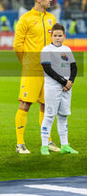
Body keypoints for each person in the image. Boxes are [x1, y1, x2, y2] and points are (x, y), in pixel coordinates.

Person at [13, 0, 58, 154]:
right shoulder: (25, 19)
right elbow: (17, 45)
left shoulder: (51, 19)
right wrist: (27, 63)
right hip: (31, 69)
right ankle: (20, 143)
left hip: (49, 71)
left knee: (46, 106)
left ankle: (48, 141)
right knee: (25, 104)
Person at [40, 23, 78, 155]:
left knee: (63, 116)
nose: (57, 38)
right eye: (55, 36)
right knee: (49, 115)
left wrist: (70, 82)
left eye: (60, 36)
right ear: (51, 36)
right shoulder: (46, 50)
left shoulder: (67, 49)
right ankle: (44, 146)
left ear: (64, 36)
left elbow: (74, 67)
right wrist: (64, 81)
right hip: (52, 87)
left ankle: (65, 145)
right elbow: (47, 69)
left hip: (66, 88)